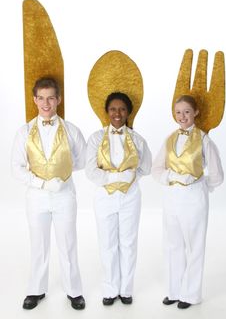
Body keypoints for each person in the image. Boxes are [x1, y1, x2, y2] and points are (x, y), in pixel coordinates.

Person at [11, 77, 86, 310]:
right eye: (41, 98)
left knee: (68, 243)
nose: (46, 103)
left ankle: (74, 291)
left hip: (64, 195)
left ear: (58, 100)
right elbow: (16, 167)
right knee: (39, 244)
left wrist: (59, 174)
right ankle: (36, 290)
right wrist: (42, 184)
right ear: (34, 99)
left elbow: (82, 160)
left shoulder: (71, 130)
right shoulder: (24, 132)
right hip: (36, 197)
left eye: (51, 98)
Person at [152, 95, 224, 309]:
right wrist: (172, 178)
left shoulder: (203, 139)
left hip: (194, 199)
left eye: (186, 112)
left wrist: (200, 186)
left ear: (196, 113)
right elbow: (156, 169)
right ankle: (174, 291)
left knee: (195, 246)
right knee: (173, 244)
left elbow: (217, 174)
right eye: (178, 112)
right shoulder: (170, 139)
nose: (182, 116)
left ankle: (191, 294)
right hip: (172, 198)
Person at [86, 92, 152, 306]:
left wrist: (129, 180)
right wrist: (114, 178)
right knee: (107, 243)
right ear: (106, 111)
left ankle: (126, 290)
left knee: (128, 243)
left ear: (128, 112)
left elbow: (146, 167)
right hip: (104, 197)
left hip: (130, 197)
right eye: (113, 109)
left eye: (122, 109)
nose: (117, 113)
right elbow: (90, 170)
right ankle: (109, 289)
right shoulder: (96, 138)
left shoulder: (137, 139)